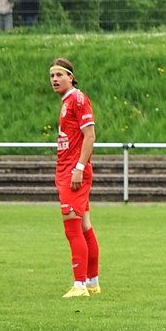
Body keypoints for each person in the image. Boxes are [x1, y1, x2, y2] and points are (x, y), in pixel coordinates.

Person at [50, 58, 101, 298]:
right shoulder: (67, 101)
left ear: (71, 77)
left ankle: (79, 285)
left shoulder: (78, 99)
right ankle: (92, 282)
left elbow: (90, 136)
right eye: (52, 76)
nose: (55, 79)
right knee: (84, 226)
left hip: (74, 172)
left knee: (72, 229)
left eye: (59, 75)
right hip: (68, 170)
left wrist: (78, 168)